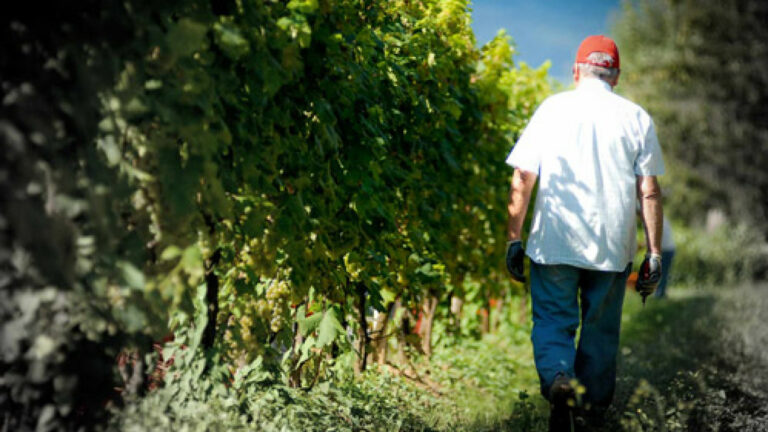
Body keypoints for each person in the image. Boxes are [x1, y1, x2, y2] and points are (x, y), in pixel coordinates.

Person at [503, 35, 665, 430]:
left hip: (554, 242)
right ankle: (590, 415)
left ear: (576, 71)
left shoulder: (552, 109)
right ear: (617, 76)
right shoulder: (637, 117)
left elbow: (523, 176)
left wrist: (513, 237)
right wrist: (655, 253)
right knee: (600, 330)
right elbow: (649, 190)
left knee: (554, 321)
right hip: (612, 248)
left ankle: (559, 379)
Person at [655, 217, 676, 298]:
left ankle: (660, 294)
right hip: (668, 249)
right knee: (662, 272)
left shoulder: (656, 221)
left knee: (662, 273)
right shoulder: (663, 219)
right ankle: (660, 292)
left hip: (666, 250)